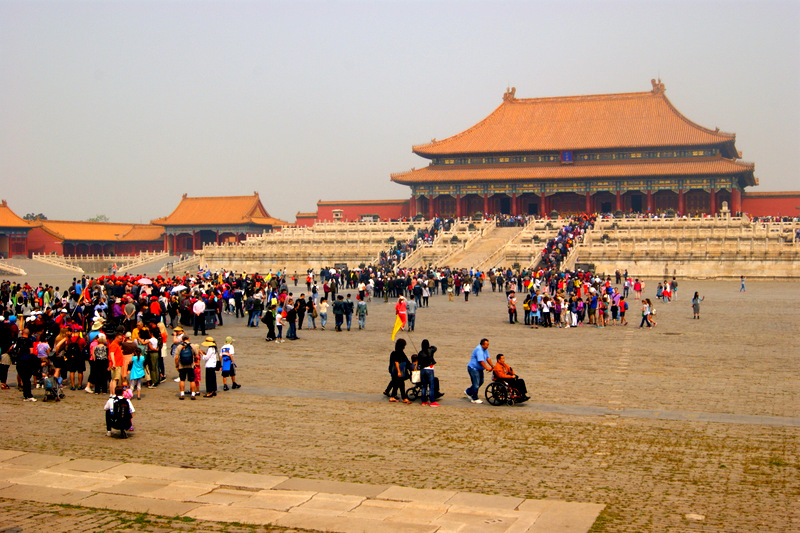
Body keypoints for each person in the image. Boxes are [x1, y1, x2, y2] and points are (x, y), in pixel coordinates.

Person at [465, 338, 493, 404]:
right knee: (476, 384)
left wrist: (492, 366)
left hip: (479, 369)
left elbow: (488, 358)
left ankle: (468, 391)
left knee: (481, 381)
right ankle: (474, 398)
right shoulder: (479, 350)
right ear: (482, 345)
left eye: (488, 345)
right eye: (486, 345)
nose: (487, 346)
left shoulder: (485, 349)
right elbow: (481, 361)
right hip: (473, 368)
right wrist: (486, 368)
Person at [387, 338, 411, 404]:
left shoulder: (396, 352)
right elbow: (396, 362)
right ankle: (404, 398)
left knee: (396, 384)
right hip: (398, 371)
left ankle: (393, 397)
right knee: (401, 384)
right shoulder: (398, 353)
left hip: (395, 371)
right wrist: (399, 372)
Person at [175, 335, 198, 399]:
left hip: (182, 365)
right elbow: (196, 356)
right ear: (188, 339)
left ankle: (182, 394)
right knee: (192, 380)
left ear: (182, 339)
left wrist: (177, 365)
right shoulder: (192, 346)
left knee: (182, 380)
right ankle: (193, 394)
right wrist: (195, 362)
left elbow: (176, 358)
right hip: (191, 365)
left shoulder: (179, 346)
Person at [417, 339, 439, 407]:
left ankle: (424, 401)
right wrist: (430, 346)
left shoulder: (420, 353)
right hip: (430, 370)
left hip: (423, 370)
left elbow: (419, 363)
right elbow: (435, 348)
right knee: (431, 386)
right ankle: (432, 401)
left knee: (424, 386)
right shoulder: (430, 350)